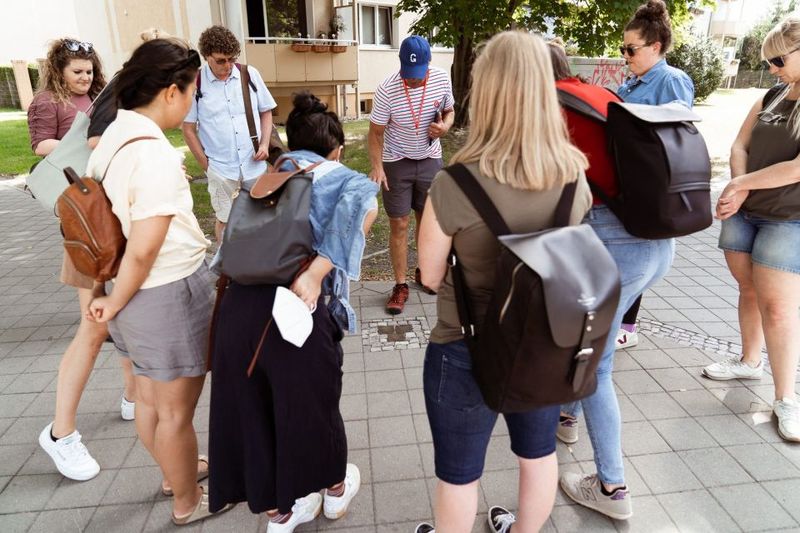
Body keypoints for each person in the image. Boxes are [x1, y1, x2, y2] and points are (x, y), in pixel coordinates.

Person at [414, 31, 592, 533]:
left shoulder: (454, 183)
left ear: (485, 91)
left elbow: (429, 276)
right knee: (537, 456)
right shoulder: (575, 176)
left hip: (463, 345)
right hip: (543, 344)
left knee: (459, 476)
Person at [208, 91, 378, 532]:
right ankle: (335, 492)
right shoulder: (347, 179)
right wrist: (320, 269)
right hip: (296, 308)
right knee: (313, 407)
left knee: (255, 410)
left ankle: (279, 513)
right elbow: (365, 213)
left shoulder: (265, 178)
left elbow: (227, 239)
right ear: (336, 149)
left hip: (239, 308)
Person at [85, 39, 231, 525]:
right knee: (175, 413)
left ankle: (176, 474)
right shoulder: (152, 155)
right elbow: (146, 246)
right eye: (192, 92)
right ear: (171, 91)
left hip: (128, 298)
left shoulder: (112, 137)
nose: (193, 102)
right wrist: (116, 300)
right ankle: (187, 501)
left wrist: (107, 300)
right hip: (162, 295)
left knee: (148, 400)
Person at [551, 3, 682, 519]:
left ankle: (611, 488)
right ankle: (565, 414)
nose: (625, 57)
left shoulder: (557, 106)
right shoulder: (601, 94)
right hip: (654, 243)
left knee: (596, 363)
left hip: (618, 243)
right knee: (586, 345)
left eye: (631, 50)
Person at [29, 37, 138, 483]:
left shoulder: (100, 98)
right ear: (59, 70)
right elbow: (39, 148)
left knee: (122, 319)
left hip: (109, 217)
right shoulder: (46, 102)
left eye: (89, 70)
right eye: (77, 71)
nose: (85, 77)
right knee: (95, 325)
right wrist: (89, 148)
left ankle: (133, 396)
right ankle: (61, 432)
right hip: (84, 219)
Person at [701, 16, 800, 442]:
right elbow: (740, 144)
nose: (772, 67)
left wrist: (740, 183)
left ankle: (786, 398)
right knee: (749, 290)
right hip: (746, 212)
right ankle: (749, 361)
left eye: (779, 59)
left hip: (788, 218)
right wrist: (739, 190)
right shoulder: (772, 94)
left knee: (779, 309)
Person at [612, 0, 694, 350]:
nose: (625, 55)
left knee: (636, 258)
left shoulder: (672, 80)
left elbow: (677, 136)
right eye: (623, 48)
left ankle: (626, 326)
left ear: (655, 47)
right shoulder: (633, 81)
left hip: (649, 185)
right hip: (626, 181)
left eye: (631, 49)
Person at [368, 35, 455, 315]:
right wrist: (378, 166)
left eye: (418, 76)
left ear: (429, 64)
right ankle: (400, 285)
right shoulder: (387, 89)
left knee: (426, 221)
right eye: (408, 74)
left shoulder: (442, 79)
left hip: (430, 160)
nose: (413, 81)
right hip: (397, 162)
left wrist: (445, 128)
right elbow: (375, 133)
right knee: (400, 224)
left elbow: (449, 111)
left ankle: (425, 272)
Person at [182, 25, 278, 243]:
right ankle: (228, 270)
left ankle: (261, 267)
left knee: (261, 218)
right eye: (221, 60)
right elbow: (188, 129)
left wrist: (264, 144)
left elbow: (266, 112)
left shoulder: (249, 74)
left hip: (254, 164)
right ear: (207, 56)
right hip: (220, 168)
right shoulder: (195, 83)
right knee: (225, 221)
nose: (228, 65)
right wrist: (207, 166)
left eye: (232, 59)